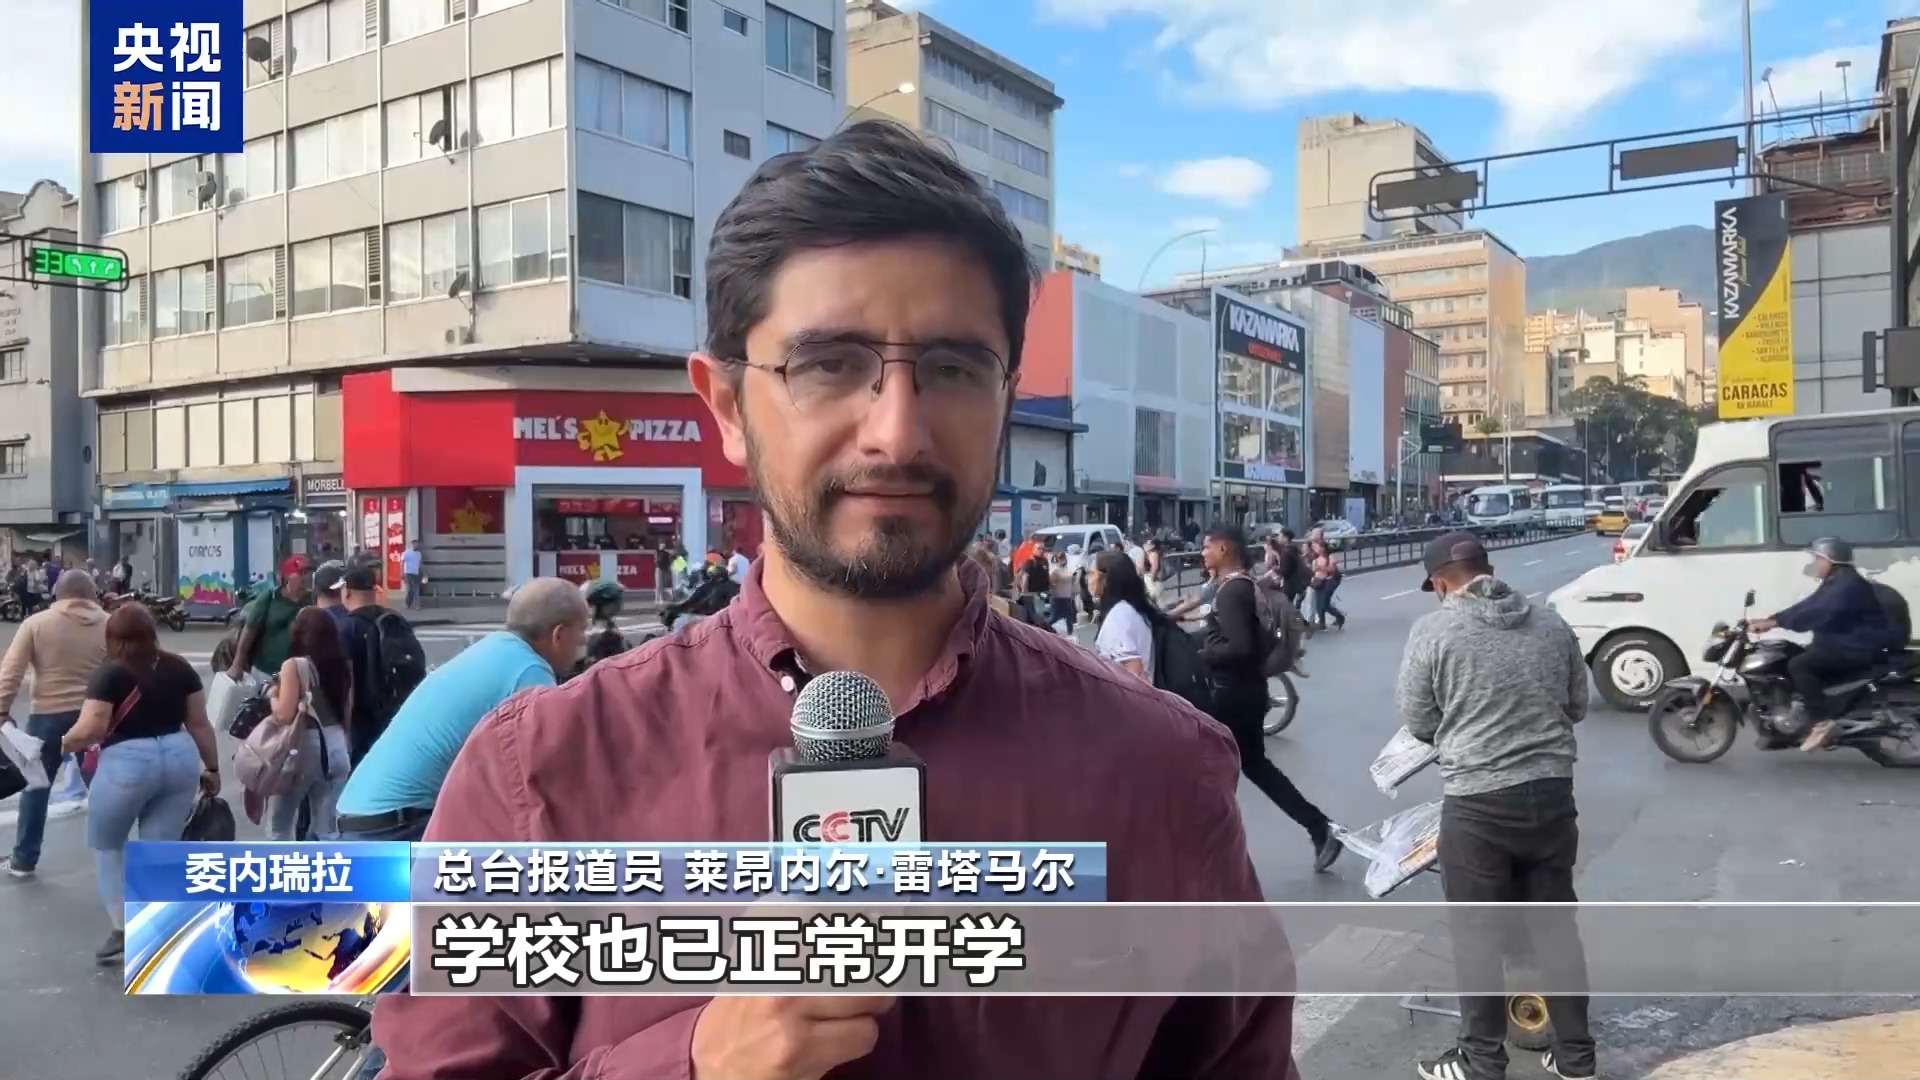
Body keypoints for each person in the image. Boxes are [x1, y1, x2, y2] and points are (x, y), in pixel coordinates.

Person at [371, 118, 1291, 1080]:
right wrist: (692, 1063)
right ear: (726, 405)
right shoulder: (543, 775)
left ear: (1005, 398)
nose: (896, 432)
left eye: (952, 368)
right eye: (827, 364)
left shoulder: (1160, 771)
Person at [1396, 531, 1595, 1080]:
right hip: (1552, 795)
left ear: (1440, 584)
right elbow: (1577, 705)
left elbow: (1420, 721)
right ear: (1490, 569)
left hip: (1478, 805)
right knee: (1556, 930)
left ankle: (1482, 1061)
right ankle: (1576, 1059)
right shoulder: (1552, 624)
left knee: (1478, 936)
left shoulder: (1433, 631)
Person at [62, 605, 220, 964]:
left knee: (108, 845)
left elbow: (92, 728)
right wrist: (212, 767)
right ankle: (160, 929)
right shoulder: (178, 667)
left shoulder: (109, 673)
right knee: (159, 848)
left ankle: (122, 928)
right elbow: (199, 723)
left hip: (127, 762)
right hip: (179, 756)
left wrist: (61, 743)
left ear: (111, 636)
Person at [1198, 526, 1342, 872]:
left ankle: (1210, 853)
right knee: (1251, 766)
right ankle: (1318, 827)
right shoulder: (1241, 585)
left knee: (1211, 768)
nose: (1202, 553)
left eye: (1206, 547)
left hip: (1232, 694)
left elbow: (1240, 646)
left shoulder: (1233, 591)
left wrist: (1205, 654)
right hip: (1246, 690)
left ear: (1223, 549)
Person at [0, 570, 109, 877]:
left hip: (46, 717)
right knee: (104, 787)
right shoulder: (110, 624)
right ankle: (116, 854)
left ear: (57, 594)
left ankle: (24, 859)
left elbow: (11, 672)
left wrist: (2, 709)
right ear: (91, 593)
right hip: (94, 717)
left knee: (36, 786)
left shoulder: (36, 624)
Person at [1748, 537, 1904, 750]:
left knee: (1799, 665)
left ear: (1831, 560)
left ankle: (1821, 722)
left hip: (1856, 647)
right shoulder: (1836, 582)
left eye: (1818, 559)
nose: (1815, 564)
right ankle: (1803, 709)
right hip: (1845, 643)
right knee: (1791, 654)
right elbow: (1807, 606)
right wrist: (1772, 619)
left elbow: (1818, 612)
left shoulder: (1846, 585)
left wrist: (1776, 623)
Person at [263, 608, 355, 841]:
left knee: (279, 826)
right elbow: (347, 710)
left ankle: (284, 865)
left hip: (304, 750)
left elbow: (284, 715)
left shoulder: (294, 666)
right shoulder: (343, 665)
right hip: (337, 747)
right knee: (326, 829)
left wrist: (272, 695)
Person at [334, 556, 429, 767]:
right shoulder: (394, 620)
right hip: (394, 714)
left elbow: (347, 682)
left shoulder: (345, 629)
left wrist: (343, 726)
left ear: (347, 592)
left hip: (361, 721)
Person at [226, 556, 309, 683]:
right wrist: (237, 664)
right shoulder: (270, 598)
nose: (305, 578)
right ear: (287, 576)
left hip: (297, 672)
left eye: (307, 573)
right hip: (265, 671)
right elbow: (249, 630)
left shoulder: (310, 600)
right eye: (300, 573)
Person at [1087, 548, 1158, 683]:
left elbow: (1136, 674)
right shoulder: (1127, 609)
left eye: (1091, 574)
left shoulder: (1119, 617)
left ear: (1106, 579)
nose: (1088, 580)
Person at [1306, 534, 1346, 631]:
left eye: (1317, 547)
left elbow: (1332, 569)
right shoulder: (1316, 558)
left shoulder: (1330, 557)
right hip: (1319, 581)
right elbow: (1313, 571)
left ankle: (1339, 617)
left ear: (1323, 548)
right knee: (1319, 603)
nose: (1315, 549)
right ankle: (1322, 624)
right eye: (1314, 547)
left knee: (1324, 603)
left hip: (1331, 581)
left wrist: (1320, 568)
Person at [401, 542, 423, 609]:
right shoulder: (406, 553)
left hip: (416, 573)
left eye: (418, 545)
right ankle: (408, 603)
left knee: (416, 589)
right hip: (408, 573)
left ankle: (416, 605)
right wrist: (402, 572)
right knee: (410, 589)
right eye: (416, 545)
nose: (417, 546)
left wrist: (422, 572)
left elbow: (420, 564)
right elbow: (402, 563)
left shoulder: (419, 553)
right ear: (412, 545)